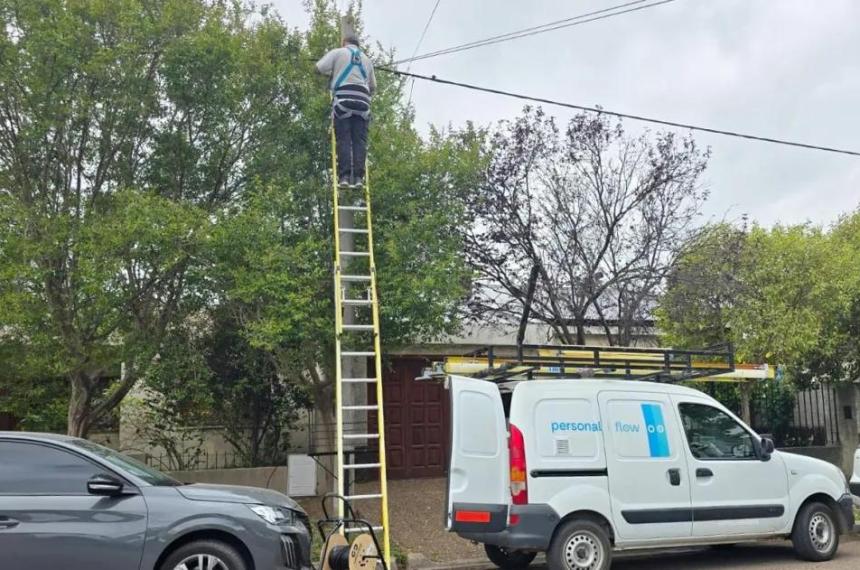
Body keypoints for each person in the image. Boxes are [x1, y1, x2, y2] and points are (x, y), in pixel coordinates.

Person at [316, 32, 376, 188]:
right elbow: (373, 87)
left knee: (344, 139)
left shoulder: (338, 53)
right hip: (363, 104)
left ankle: (344, 177)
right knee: (359, 141)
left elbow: (319, 68)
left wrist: (333, 73)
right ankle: (358, 178)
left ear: (344, 43)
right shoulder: (367, 60)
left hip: (343, 101)